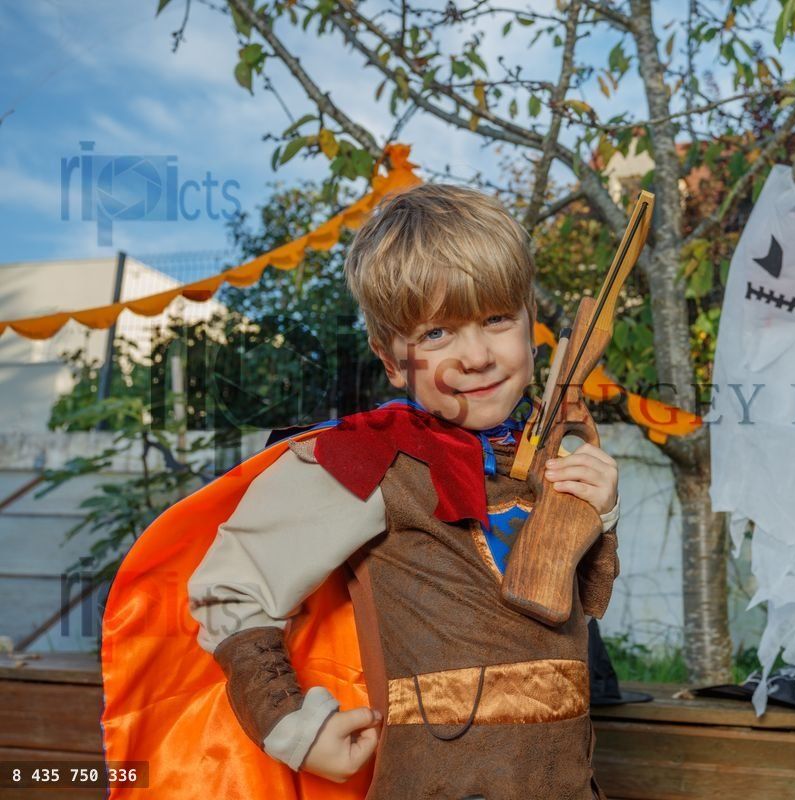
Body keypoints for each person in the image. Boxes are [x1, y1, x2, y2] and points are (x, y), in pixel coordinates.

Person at [186, 184, 621, 799]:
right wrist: (293, 726)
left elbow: (562, 611)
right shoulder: (366, 459)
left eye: (496, 319)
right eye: (437, 333)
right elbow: (230, 586)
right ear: (391, 360)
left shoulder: (547, 453)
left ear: (530, 325)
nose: (476, 356)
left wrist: (596, 511)